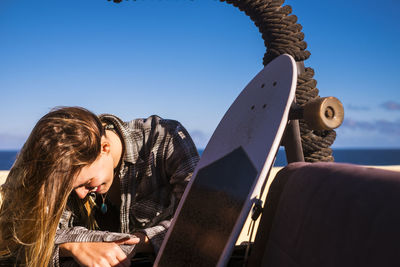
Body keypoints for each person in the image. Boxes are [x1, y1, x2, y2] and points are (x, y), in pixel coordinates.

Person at [0, 107, 200, 267]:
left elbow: (200, 224)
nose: (79, 195)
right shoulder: (46, 157)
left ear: (104, 148)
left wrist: (133, 244)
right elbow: (12, 236)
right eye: (69, 189)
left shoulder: (166, 140)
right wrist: (74, 246)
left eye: (86, 183)